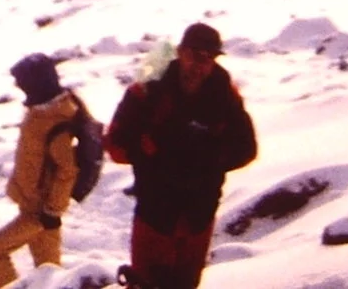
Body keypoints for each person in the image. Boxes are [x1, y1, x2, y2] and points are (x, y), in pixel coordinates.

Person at [105, 23, 256, 289]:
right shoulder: (148, 91)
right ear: (180, 52)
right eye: (194, 55)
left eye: (208, 58)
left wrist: (211, 158)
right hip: (155, 215)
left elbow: (247, 149)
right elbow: (115, 144)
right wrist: (148, 151)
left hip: (199, 216)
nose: (199, 65)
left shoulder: (224, 95)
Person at [0, 53, 86, 288]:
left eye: (24, 84)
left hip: (40, 213)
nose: (21, 88)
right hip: (35, 207)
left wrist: (53, 211)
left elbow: (67, 170)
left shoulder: (54, 118)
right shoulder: (43, 112)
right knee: (49, 275)